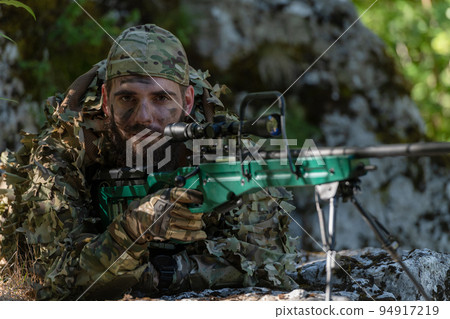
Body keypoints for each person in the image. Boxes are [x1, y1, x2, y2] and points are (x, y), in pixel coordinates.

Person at [0, 24, 299, 300]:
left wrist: (163, 275)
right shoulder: (69, 144)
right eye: (127, 99)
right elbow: (55, 279)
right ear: (106, 101)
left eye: (161, 99)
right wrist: (130, 230)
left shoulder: (220, 142)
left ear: (188, 101)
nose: (144, 117)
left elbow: (266, 264)